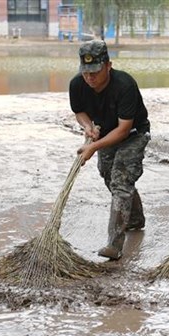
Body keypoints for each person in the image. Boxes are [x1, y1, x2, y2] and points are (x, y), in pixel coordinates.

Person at [69, 40, 150, 260]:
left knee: (121, 181)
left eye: (95, 72)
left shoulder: (124, 85)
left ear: (108, 65)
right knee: (108, 174)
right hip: (104, 133)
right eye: (85, 73)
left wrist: (93, 147)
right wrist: (88, 128)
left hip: (133, 134)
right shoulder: (77, 84)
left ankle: (114, 245)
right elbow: (80, 112)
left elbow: (124, 130)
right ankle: (135, 219)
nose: (90, 78)